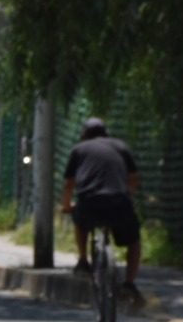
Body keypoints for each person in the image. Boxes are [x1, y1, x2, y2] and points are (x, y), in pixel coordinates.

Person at [60, 117, 144, 306]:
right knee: (134, 241)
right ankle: (129, 283)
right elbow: (133, 179)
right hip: (119, 202)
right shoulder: (121, 147)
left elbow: (68, 184)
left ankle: (83, 260)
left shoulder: (78, 150)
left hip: (90, 202)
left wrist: (66, 206)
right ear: (105, 133)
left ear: (84, 134)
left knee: (79, 219)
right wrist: (126, 195)